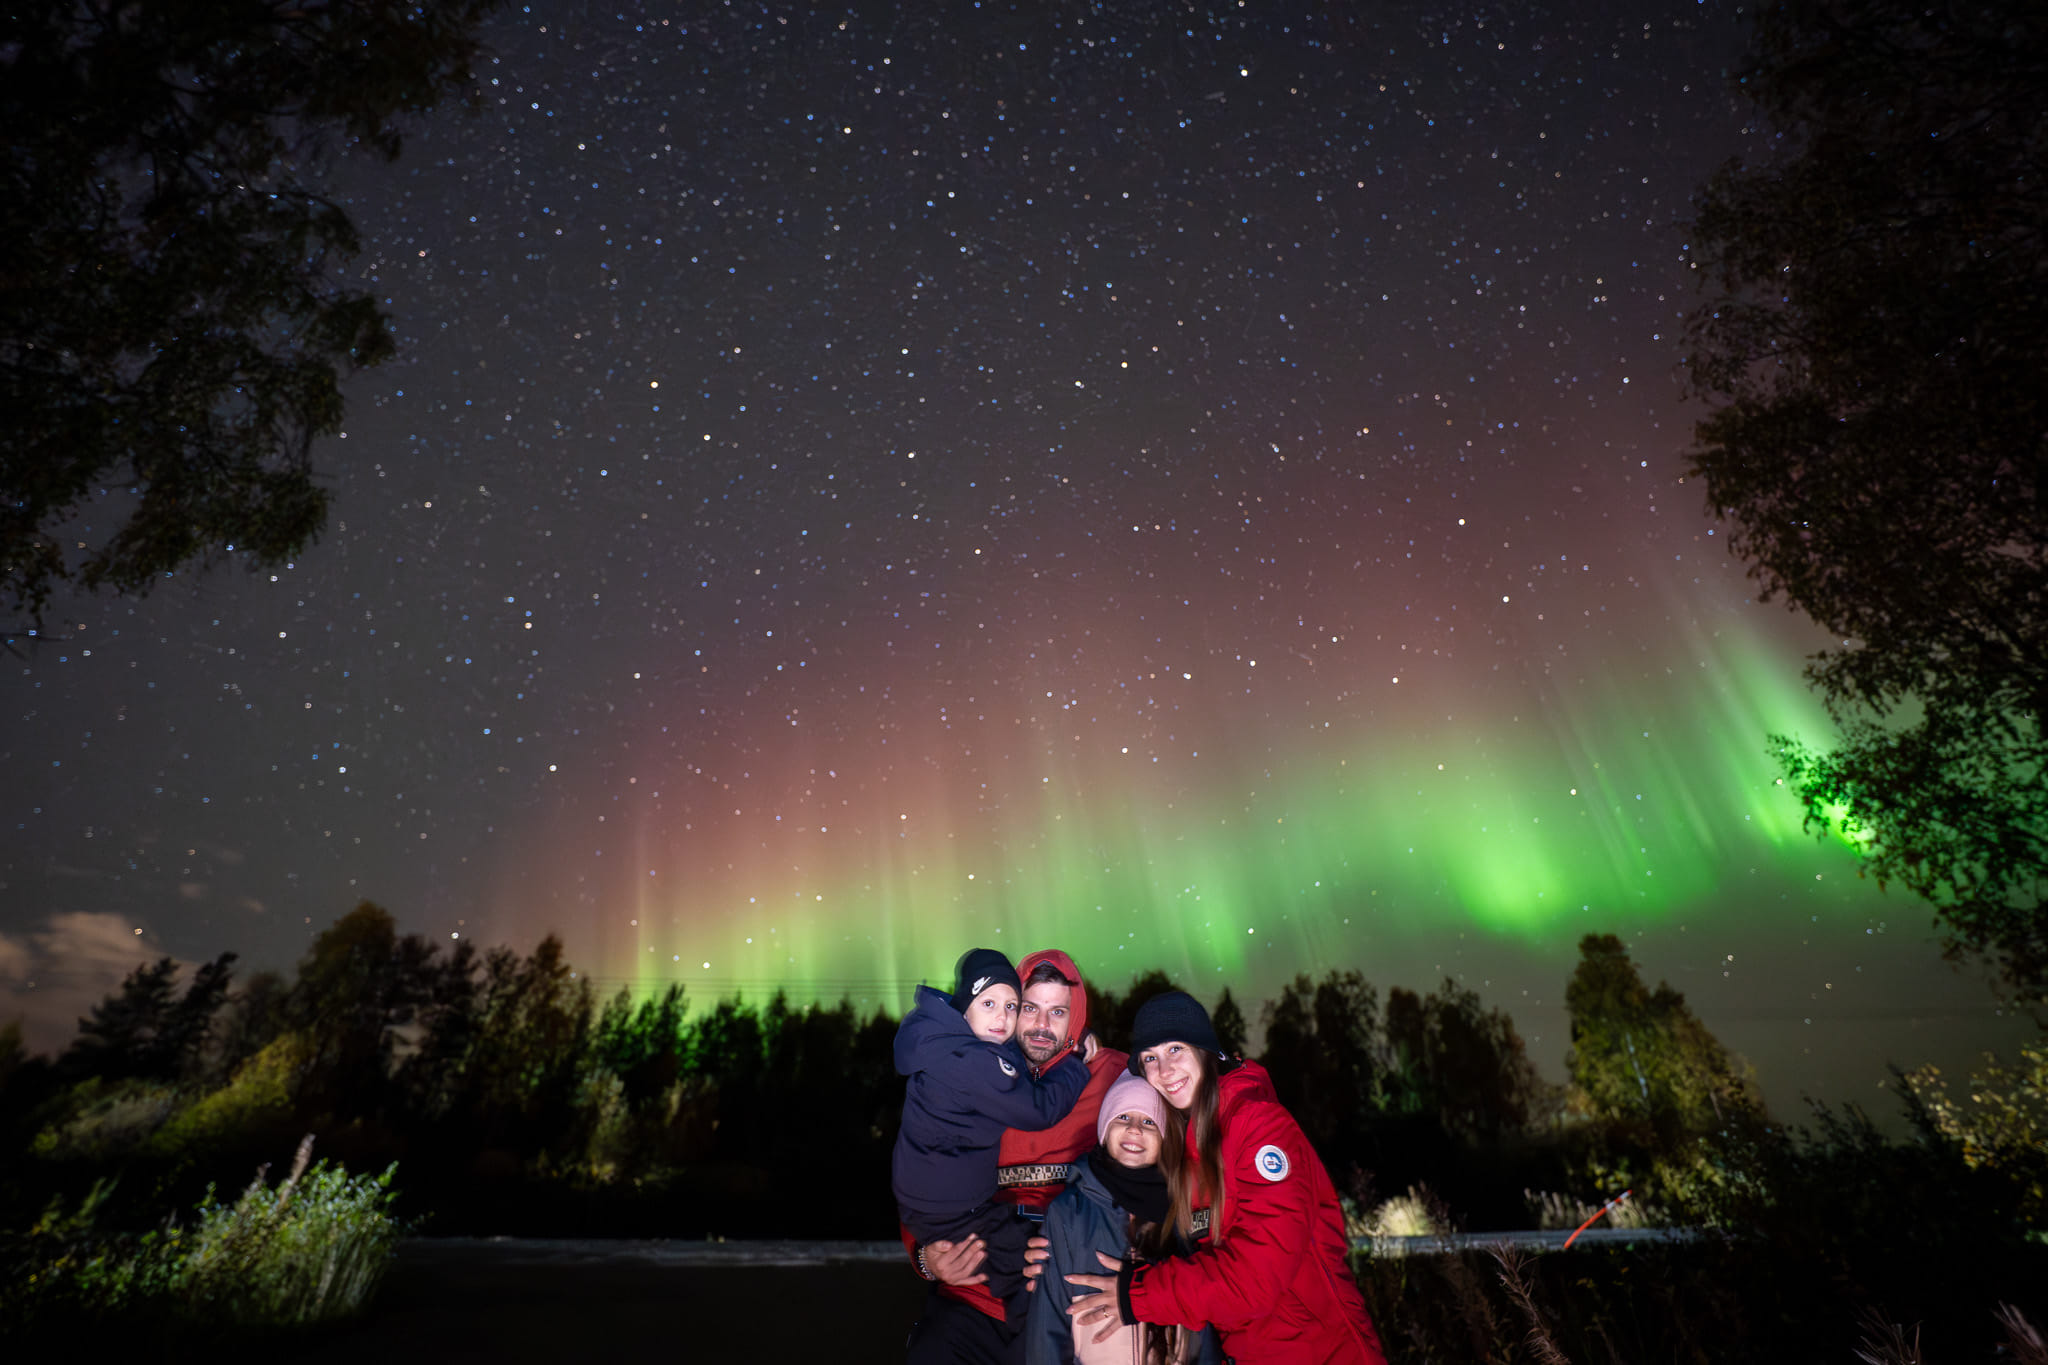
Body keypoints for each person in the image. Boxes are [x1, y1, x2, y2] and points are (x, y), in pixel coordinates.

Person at [1062, 991, 1388, 1365]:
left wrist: (1138, 1296)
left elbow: (1256, 1281)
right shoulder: (1183, 1146)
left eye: (1175, 1050)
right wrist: (1053, 1243)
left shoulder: (1260, 1128)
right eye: (1150, 1058)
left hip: (1320, 1351)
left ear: (1205, 1051)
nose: (1164, 1071)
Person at [906, 950, 1128, 1365]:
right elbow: (924, 1163)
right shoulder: (967, 1072)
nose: (1043, 1026)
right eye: (1029, 1008)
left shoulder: (1112, 1074)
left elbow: (1182, 1129)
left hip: (1068, 1294)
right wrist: (925, 1256)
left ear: (1077, 1017)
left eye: (1058, 1012)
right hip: (976, 1291)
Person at [1027, 1072, 1221, 1365]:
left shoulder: (1184, 1209)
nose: (1134, 1129)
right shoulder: (1069, 1211)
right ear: (1104, 1129)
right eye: (1122, 1117)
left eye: (1148, 1122)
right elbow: (1047, 1323)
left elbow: (1203, 1314)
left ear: (1165, 1139)